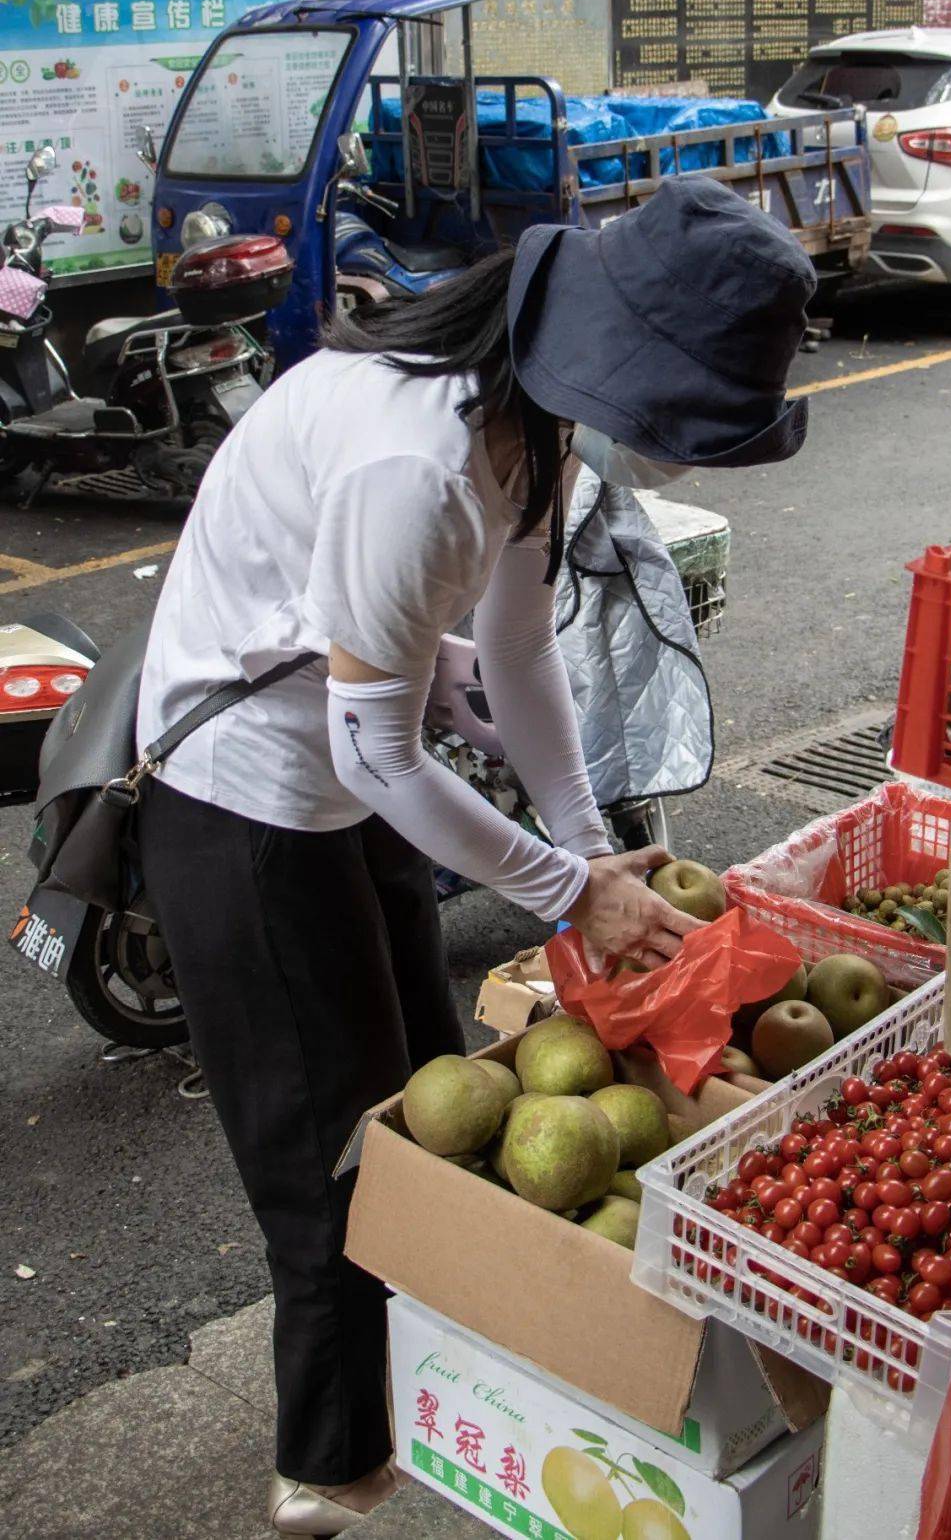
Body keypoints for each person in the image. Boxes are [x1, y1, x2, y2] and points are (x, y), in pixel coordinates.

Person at [135, 177, 815, 1536]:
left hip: (345, 778)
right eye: (681, 422)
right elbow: (382, 753)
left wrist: (587, 848)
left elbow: (515, 654)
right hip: (248, 805)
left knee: (420, 1106)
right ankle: (324, 1470)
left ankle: (414, 1391)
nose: (677, 457)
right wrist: (568, 891)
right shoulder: (421, 460)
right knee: (332, 1158)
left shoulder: (525, 423)